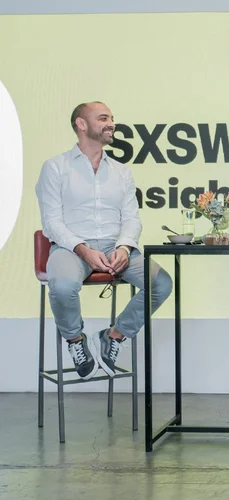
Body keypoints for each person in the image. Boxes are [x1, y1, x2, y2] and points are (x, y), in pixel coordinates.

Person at [35, 101, 173, 380]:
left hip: (114, 246)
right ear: (81, 124)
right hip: (71, 247)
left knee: (161, 283)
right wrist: (83, 249)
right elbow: (51, 222)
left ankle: (115, 335)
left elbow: (132, 218)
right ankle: (76, 341)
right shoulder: (55, 167)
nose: (111, 123)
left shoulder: (121, 171)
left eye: (112, 118)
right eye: (103, 118)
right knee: (61, 287)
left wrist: (124, 246)